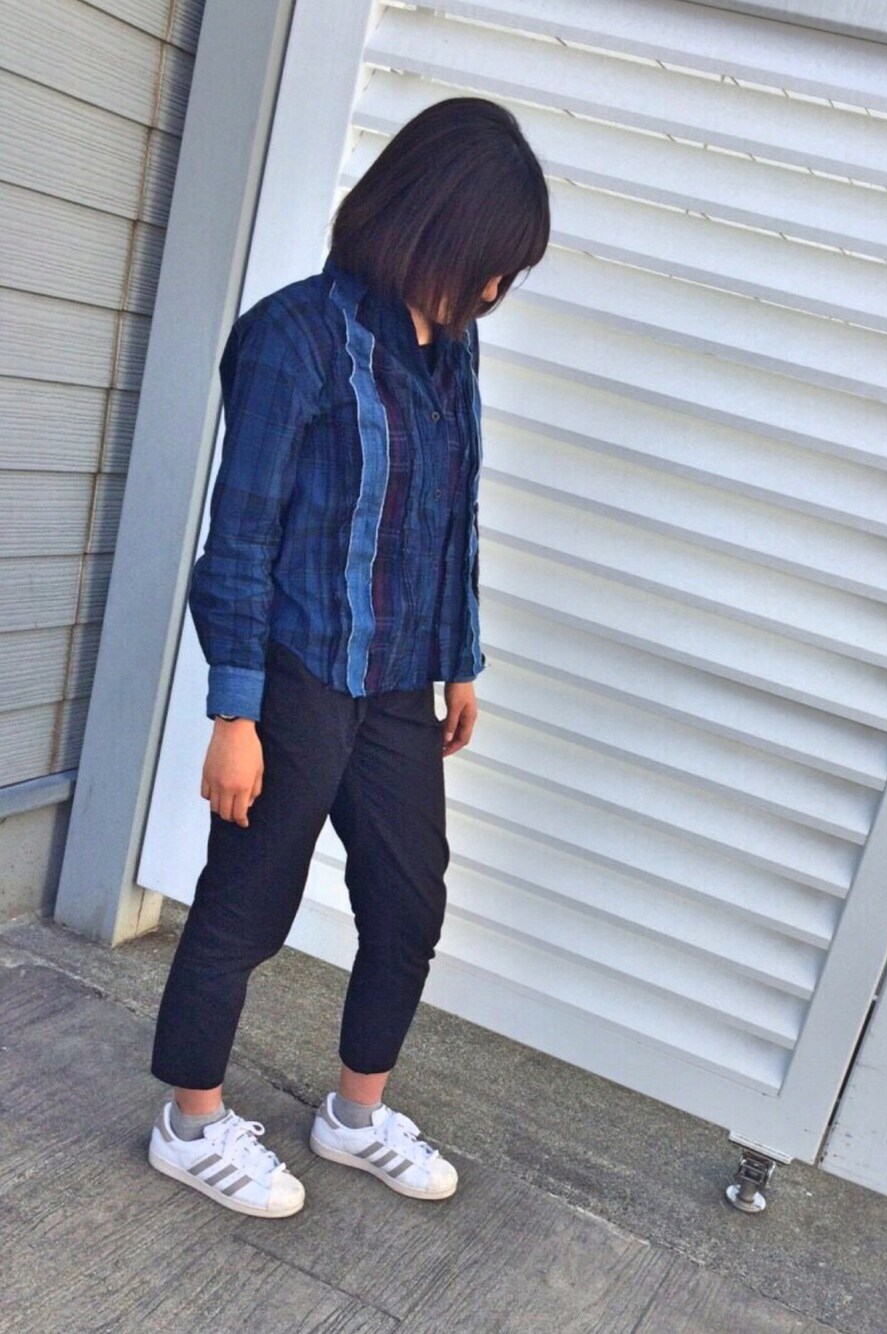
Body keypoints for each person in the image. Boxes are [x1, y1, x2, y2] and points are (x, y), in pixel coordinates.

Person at [145, 95, 550, 1219]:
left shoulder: (452, 351)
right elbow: (240, 539)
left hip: (401, 680)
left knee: (409, 904)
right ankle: (191, 1122)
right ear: (433, 227)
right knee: (248, 906)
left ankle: (354, 1116)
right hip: (299, 674)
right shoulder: (293, 338)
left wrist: (459, 658)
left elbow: (452, 519)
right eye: (491, 263)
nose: (495, 290)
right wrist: (234, 713)